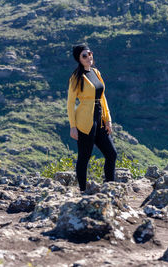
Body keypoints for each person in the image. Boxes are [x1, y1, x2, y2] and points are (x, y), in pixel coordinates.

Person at [67, 44, 117, 192]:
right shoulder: (76, 78)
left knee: (111, 154)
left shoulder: (96, 72)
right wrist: (73, 126)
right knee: (84, 157)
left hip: (99, 119)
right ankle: (82, 191)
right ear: (79, 59)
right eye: (84, 55)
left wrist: (108, 120)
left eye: (89, 53)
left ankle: (110, 188)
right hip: (84, 121)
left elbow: (103, 97)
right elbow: (70, 103)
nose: (89, 57)